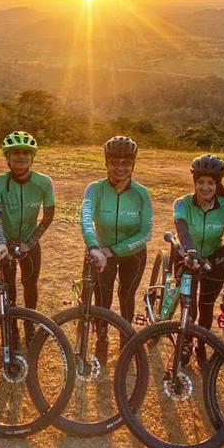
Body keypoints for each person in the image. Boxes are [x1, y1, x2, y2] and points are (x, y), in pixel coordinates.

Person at [81, 136, 153, 337]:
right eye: (114, 162)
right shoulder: (95, 189)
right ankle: (101, 334)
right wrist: (93, 246)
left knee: (127, 296)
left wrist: (113, 250)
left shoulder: (141, 193)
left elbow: (146, 232)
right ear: (106, 163)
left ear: (133, 164)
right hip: (100, 250)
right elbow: (86, 218)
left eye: (126, 163)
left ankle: (127, 338)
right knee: (102, 296)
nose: (120, 168)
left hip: (133, 253)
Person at [173, 155, 224, 367]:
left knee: (206, 307)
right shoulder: (182, 203)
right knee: (189, 308)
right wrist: (192, 252)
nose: (205, 187)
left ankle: (201, 345)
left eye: (210, 183)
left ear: (218, 184)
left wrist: (211, 259)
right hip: (187, 259)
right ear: (194, 182)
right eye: (200, 182)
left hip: (215, 261)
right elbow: (182, 230)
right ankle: (186, 343)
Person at [0, 131, 55, 310]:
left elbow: (48, 215)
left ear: (32, 157)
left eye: (26, 152)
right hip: (4, 239)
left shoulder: (44, 182)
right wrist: (1, 243)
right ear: (7, 157)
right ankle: (10, 324)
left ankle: (29, 323)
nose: (21, 156)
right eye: (15, 152)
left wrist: (30, 242)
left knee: (30, 284)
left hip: (29, 240)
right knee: (7, 286)